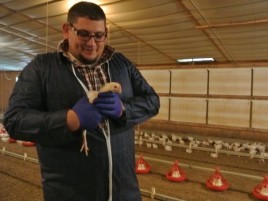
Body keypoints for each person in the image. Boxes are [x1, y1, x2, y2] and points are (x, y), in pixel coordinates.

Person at [4, 2, 160, 201]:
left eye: (99, 35)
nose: (92, 43)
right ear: (67, 30)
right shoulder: (42, 68)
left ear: (106, 32)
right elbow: (14, 120)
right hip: (68, 194)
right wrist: (69, 120)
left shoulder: (122, 65)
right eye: (84, 34)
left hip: (125, 193)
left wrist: (124, 109)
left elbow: (152, 101)